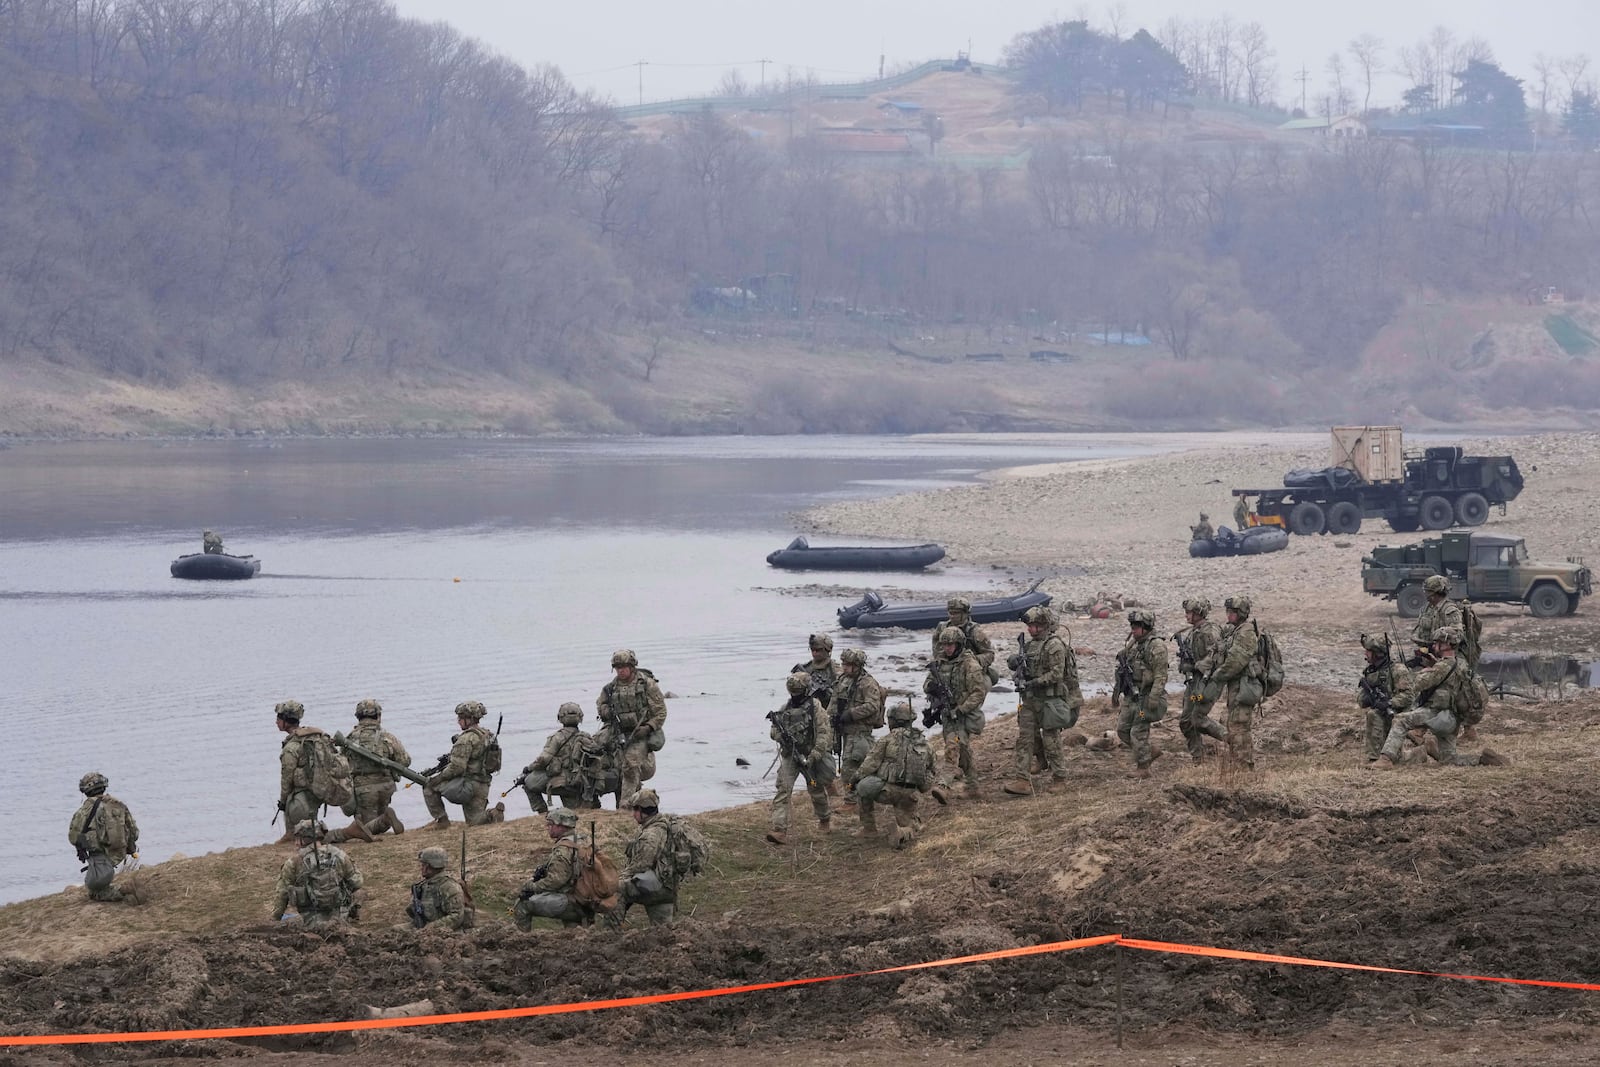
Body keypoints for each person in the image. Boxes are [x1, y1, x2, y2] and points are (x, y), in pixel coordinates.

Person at [1374, 627, 1507, 769]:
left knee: (1400, 720)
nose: (1434, 646)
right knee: (1449, 759)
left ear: (1446, 644)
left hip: (1436, 713)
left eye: (1437, 642)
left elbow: (1417, 684)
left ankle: (1386, 759)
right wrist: (1434, 664)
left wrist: (1421, 671)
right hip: (1453, 717)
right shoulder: (1460, 662)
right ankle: (1482, 760)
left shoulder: (1443, 666)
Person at [1003, 605, 1080, 795]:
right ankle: (1022, 780)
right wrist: (1015, 664)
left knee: (1051, 740)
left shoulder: (1054, 645)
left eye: (1035, 626)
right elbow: (1021, 667)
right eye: (1030, 626)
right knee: (1025, 739)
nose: (1031, 629)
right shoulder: (1029, 646)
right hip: (1030, 701)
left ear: (1044, 625)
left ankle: (1059, 778)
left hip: (1049, 701)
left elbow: (1056, 675)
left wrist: (1034, 682)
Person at [276, 701, 371, 844]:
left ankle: (348, 832)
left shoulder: (291, 747)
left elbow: (286, 780)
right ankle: (292, 834)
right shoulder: (316, 736)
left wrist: (283, 803)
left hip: (308, 794)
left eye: (279, 718)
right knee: (305, 830)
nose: (276, 722)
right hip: (325, 787)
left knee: (307, 836)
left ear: (286, 721)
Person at [853, 700, 940, 848]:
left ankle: (869, 829)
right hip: (910, 794)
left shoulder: (887, 740)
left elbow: (870, 764)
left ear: (893, 721)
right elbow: (931, 770)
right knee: (911, 826)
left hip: (886, 791)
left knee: (863, 787)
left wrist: (854, 780)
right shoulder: (924, 743)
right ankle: (903, 832)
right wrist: (920, 789)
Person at [765, 672, 835, 845]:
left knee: (816, 789)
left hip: (811, 756)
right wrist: (781, 736)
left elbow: (824, 734)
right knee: (783, 789)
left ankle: (824, 819)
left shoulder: (816, 708)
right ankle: (779, 829)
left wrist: (814, 756)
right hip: (791, 756)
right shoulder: (786, 708)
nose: (795, 694)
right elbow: (774, 731)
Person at [595, 649, 667, 808]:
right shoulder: (610, 688)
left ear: (632, 666)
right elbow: (601, 704)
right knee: (593, 752)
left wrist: (648, 728)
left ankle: (625, 808)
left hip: (640, 732)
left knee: (631, 764)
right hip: (616, 730)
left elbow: (660, 712)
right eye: (617, 667)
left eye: (624, 667)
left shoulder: (646, 685)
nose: (620, 670)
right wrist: (606, 712)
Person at [925, 626, 988, 798]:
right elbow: (927, 683)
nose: (947, 648)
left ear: (959, 644)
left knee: (952, 747)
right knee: (963, 751)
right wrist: (932, 688)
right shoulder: (939, 663)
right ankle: (973, 786)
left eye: (951, 645)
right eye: (944, 645)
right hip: (947, 715)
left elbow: (978, 692)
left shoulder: (970, 664)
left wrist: (961, 709)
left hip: (963, 715)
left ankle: (943, 785)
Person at [422, 701, 505, 829]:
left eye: (461, 718)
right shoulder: (489, 735)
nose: (458, 721)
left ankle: (442, 821)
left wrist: (436, 778)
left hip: (467, 787)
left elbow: (457, 767)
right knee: (475, 822)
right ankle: (493, 814)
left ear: (469, 719)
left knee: (428, 786)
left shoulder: (466, 739)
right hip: (483, 785)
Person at [1206, 595, 1265, 772]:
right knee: (1233, 723)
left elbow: (1236, 661)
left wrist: (1217, 676)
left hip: (1245, 686)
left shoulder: (1246, 632)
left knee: (1239, 725)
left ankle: (1243, 766)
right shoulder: (1235, 630)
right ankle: (1239, 763)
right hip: (1237, 686)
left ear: (1241, 613)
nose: (1228, 614)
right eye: (1228, 611)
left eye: (1232, 612)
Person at [270, 819, 363, 930]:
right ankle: (351, 915)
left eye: (297, 839)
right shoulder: (339, 855)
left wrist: (274, 920)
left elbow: (282, 895)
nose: (295, 842)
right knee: (360, 892)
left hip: (310, 921)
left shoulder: (293, 862)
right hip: (339, 918)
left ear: (303, 840)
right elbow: (357, 882)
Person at [338, 698, 410, 838]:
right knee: (377, 826)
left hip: (363, 790)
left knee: (364, 830)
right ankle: (386, 818)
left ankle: (386, 818)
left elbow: (342, 766)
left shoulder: (349, 739)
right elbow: (405, 761)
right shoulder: (388, 737)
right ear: (378, 716)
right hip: (386, 786)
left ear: (358, 717)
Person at [1112, 610, 1169, 779]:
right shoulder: (1134, 645)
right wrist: (1116, 693)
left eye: (1136, 627)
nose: (1133, 630)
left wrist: (1153, 698)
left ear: (1146, 627)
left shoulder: (1156, 647)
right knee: (1122, 730)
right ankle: (1148, 751)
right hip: (1132, 696)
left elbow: (1161, 676)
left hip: (1145, 698)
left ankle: (1143, 767)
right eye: (1132, 626)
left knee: (1138, 731)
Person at [612, 788, 680, 926]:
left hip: (656, 887)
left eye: (634, 810)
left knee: (616, 889)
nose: (633, 814)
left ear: (641, 811)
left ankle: (610, 934)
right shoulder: (664, 824)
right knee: (662, 932)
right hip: (668, 887)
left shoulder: (650, 835)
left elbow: (641, 865)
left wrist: (619, 879)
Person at [68, 772, 139, 903]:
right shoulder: (119, 805)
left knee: (94, 890)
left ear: (85, 791)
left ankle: (124, 892)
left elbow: (73, 836)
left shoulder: (85, 810)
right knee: (97, 888)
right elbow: (134, 832)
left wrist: (84, 845)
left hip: (99, 857)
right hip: (119, 852)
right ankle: (126, 891)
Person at [513, 809, 589, 929]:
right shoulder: (582, 840)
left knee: (523, 903)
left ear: (561, 826)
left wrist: (531, 886)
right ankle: (575, 932)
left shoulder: (563, 849)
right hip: (586, 900)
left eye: (550, 824)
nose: (547, 827)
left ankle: (520, 942)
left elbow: (556, 881)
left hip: (572, 901)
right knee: (573, 934)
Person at [519, 702, 598, 813]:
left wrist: (529, 769)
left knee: (527, 782)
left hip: (562, 782)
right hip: (582, 781)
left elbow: (543, 760)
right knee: (576, 811)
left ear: (560, 718)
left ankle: (542, 812)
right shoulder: (587, 737)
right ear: (580, 718)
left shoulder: (557, 737)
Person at [1176, 597, 1229, 761]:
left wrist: (1196, 666)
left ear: (1199, 613)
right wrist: (1185, 665)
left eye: (1189, 613)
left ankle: (1233, 740)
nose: (1186, 616)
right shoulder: (1194, 632)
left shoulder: (1210, 632)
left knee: (1198, 719)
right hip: (1194, 682)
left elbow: (1217, 657)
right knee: (1186, 721)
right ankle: (1198, 758)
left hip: (1208, 681)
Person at [832, 648, 885, 810]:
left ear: (857, 665)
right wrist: (831, 718)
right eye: (843, 664)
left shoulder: (868, 683)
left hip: (860, 731)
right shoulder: (843, 679)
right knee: (856, 764)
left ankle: (851, 800)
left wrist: (851, 714)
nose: (844, 667)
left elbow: (872, 706)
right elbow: (835, 700)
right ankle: (864, 795)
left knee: (850, 765)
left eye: (848, 664)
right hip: (845, 730)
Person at [1358, 634, 1414, 763]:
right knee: (1373, 714)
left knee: (1398, 760)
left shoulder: (1398, 670)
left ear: (1377, 653)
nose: (1366, 654)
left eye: (1368, 651)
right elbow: (1360, 699)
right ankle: (1374, 757)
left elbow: (1409, 696)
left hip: (1399, 711)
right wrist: (1369, 699)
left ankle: (1420, 753)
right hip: (1383, 710)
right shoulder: (1371, 671)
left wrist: (1389, 702)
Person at [409, 846, 473, 929]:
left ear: (429, 867)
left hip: (444, 931)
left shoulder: (450, 887)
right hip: (424, 925)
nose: (421, 867)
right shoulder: (423, 885)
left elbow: (456, 917)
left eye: (423, 865)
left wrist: (432, 927)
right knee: (396, 931)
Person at [930, 598, 997, 679]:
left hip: (970, 672)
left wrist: (971, 661)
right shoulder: (942, 628)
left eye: (956, 613)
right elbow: (937, 650)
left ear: (965, 613)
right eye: (950, 613)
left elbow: (989, 655)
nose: (952, 616)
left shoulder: (975, 631)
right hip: (948, 670)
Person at [1411, 575, 1463, 658]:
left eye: (1428, 592)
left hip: (1445, 657)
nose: (1426, 595)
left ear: (1435, 593)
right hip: (1427, 653)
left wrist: (1441, 633)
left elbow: (1458, 634)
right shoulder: (1427, 608)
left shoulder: (1449, 610)